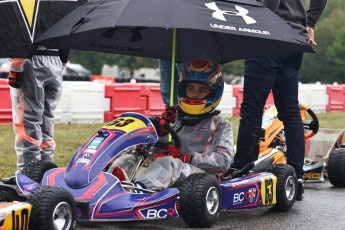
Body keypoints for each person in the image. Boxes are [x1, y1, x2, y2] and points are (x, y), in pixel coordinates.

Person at [231, 0, 328, 201]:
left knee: (252, 109)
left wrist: (261, 21)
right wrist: (309, 23)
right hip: (294, 38)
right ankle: (296, 177)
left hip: (268, 36)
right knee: (290, 111)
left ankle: (240, 171)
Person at [108, 59, 235, 191]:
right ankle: (106, 187)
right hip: (166, 171)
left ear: (214, 92)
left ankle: (138, 191)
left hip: (200, 175)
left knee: (169, 163)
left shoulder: (220, 124)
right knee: (128, 158)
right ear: (182, 89)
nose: (195, 94)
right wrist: (159, 133)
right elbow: (155, 151)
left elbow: (224, 162)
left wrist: (190, 158)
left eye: (202, 90)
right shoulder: (173, 117)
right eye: (190, 88)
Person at [3, 46, 68, 184]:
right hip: (56, 60)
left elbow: (22, 36)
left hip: (30, 60)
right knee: (46, 121)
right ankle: (46, 174)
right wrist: (62, 61)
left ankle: (27, 178)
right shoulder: (54, 21)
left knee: (27, 123)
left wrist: (15, 67)